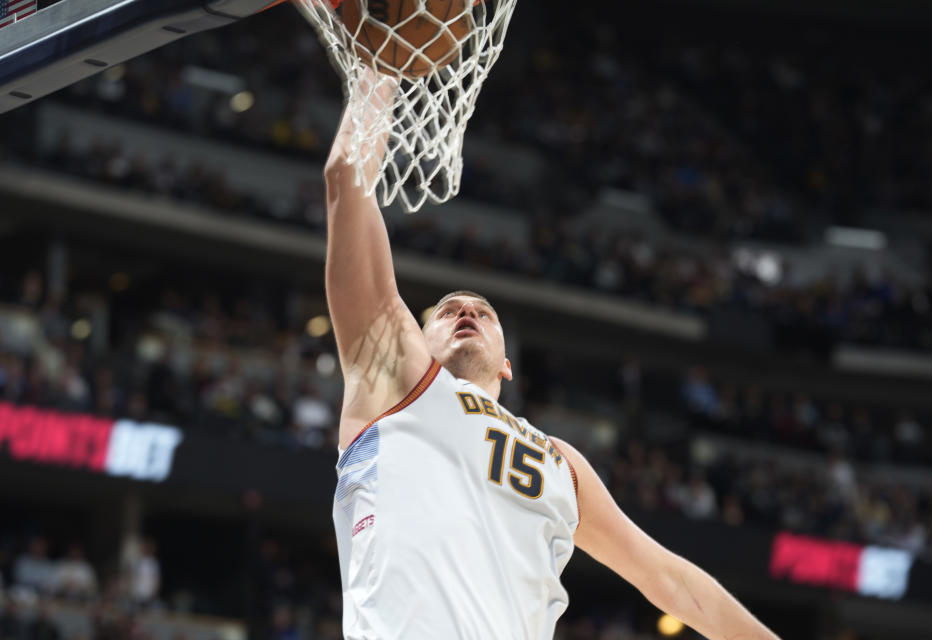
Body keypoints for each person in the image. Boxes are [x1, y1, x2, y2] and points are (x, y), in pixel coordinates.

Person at [323, 71, 779, 639]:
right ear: (419, 341)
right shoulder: (391, 380)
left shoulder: (560, 461)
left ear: (507, 365)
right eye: (446, 311)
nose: (467, 312)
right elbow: (347, 180)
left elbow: (671, 582)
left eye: (484, 314)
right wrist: (378, 72)